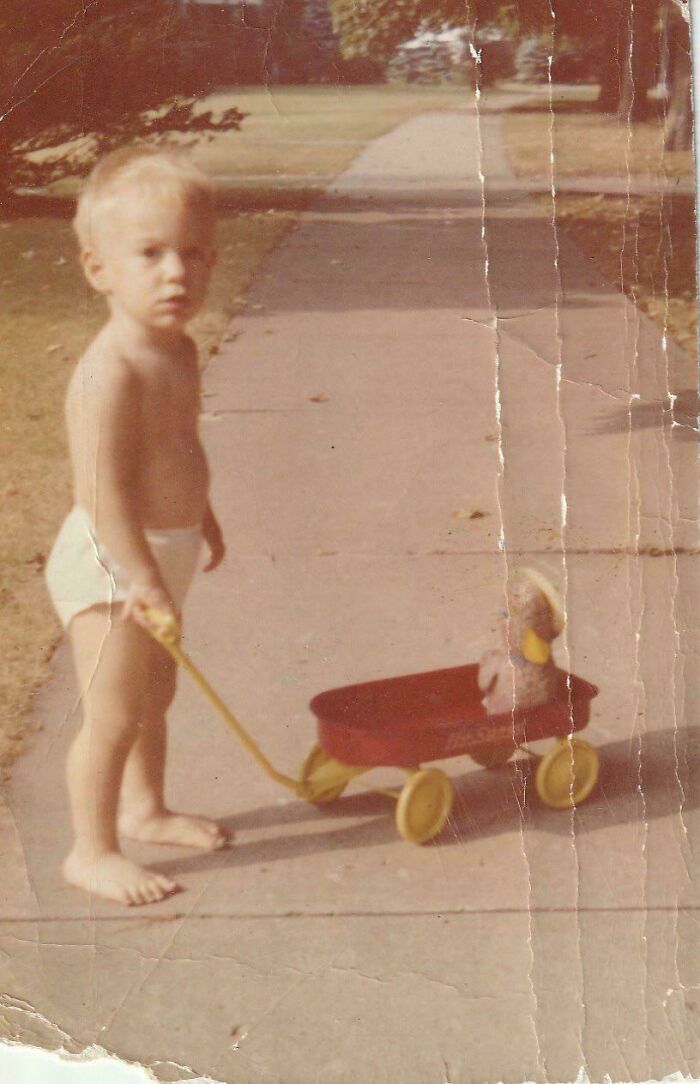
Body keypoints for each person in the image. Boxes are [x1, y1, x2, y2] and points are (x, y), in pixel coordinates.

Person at [45, 146, 229, 907]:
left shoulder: (179, 350)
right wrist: (143, 578)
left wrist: (204, 513)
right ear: (99, 270)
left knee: (156, 694)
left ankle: (143, 807)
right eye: (149, 255)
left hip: (163, 552)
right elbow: (100, 493)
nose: (175, 273)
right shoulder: (107, 372)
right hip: (110, 563)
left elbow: (177, 443)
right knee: (114, 710)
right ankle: (90, 851)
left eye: (193, 254)